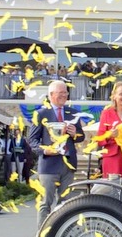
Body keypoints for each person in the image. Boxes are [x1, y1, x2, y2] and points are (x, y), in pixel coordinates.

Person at [29, 80, 85, 227]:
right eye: (60, 93)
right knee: (45, 203)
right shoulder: (40, 114)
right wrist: (45, 150)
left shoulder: (72, 113)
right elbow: (32, 141)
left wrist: (75, 134)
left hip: (68, 165)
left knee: (65, 204)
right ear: (51, 95)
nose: (63, 95)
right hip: (48, 165)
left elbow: (81, 137)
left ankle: (60, 234)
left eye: (65, 92)